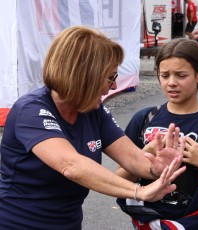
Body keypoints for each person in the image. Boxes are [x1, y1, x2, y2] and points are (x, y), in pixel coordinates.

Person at [0, 26, 187, 230]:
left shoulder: (91, 110)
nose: (114, 87)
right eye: (111, 77)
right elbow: (71, 166)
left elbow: (132, 158)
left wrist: (156, 168)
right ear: (84, 75)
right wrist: (138, 191)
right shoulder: (31, 110)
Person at [116, 38, 198, 229]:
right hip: (147, 222)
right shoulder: (143, 120)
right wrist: (144, 158)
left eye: (181, 75)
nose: (171, 83)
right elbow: (117, 182)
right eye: (165, 75)